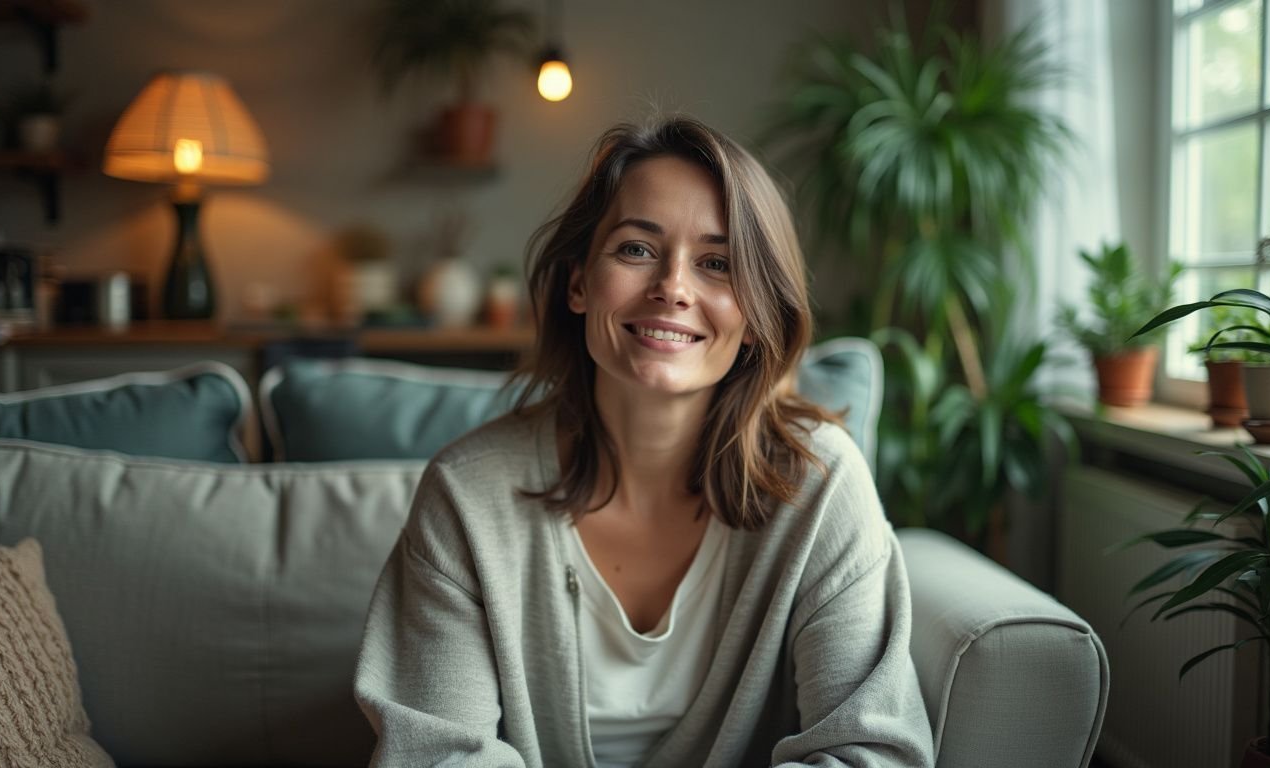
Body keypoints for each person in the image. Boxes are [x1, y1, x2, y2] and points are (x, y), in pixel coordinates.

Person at [354, 116, 933, 767]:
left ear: (755, 317)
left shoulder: (820, 485)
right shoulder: (466, 494)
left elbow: (868, 753)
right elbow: (436, 756)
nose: (673, 288)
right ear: (578, 282)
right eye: (636, 249)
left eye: (717, 263)